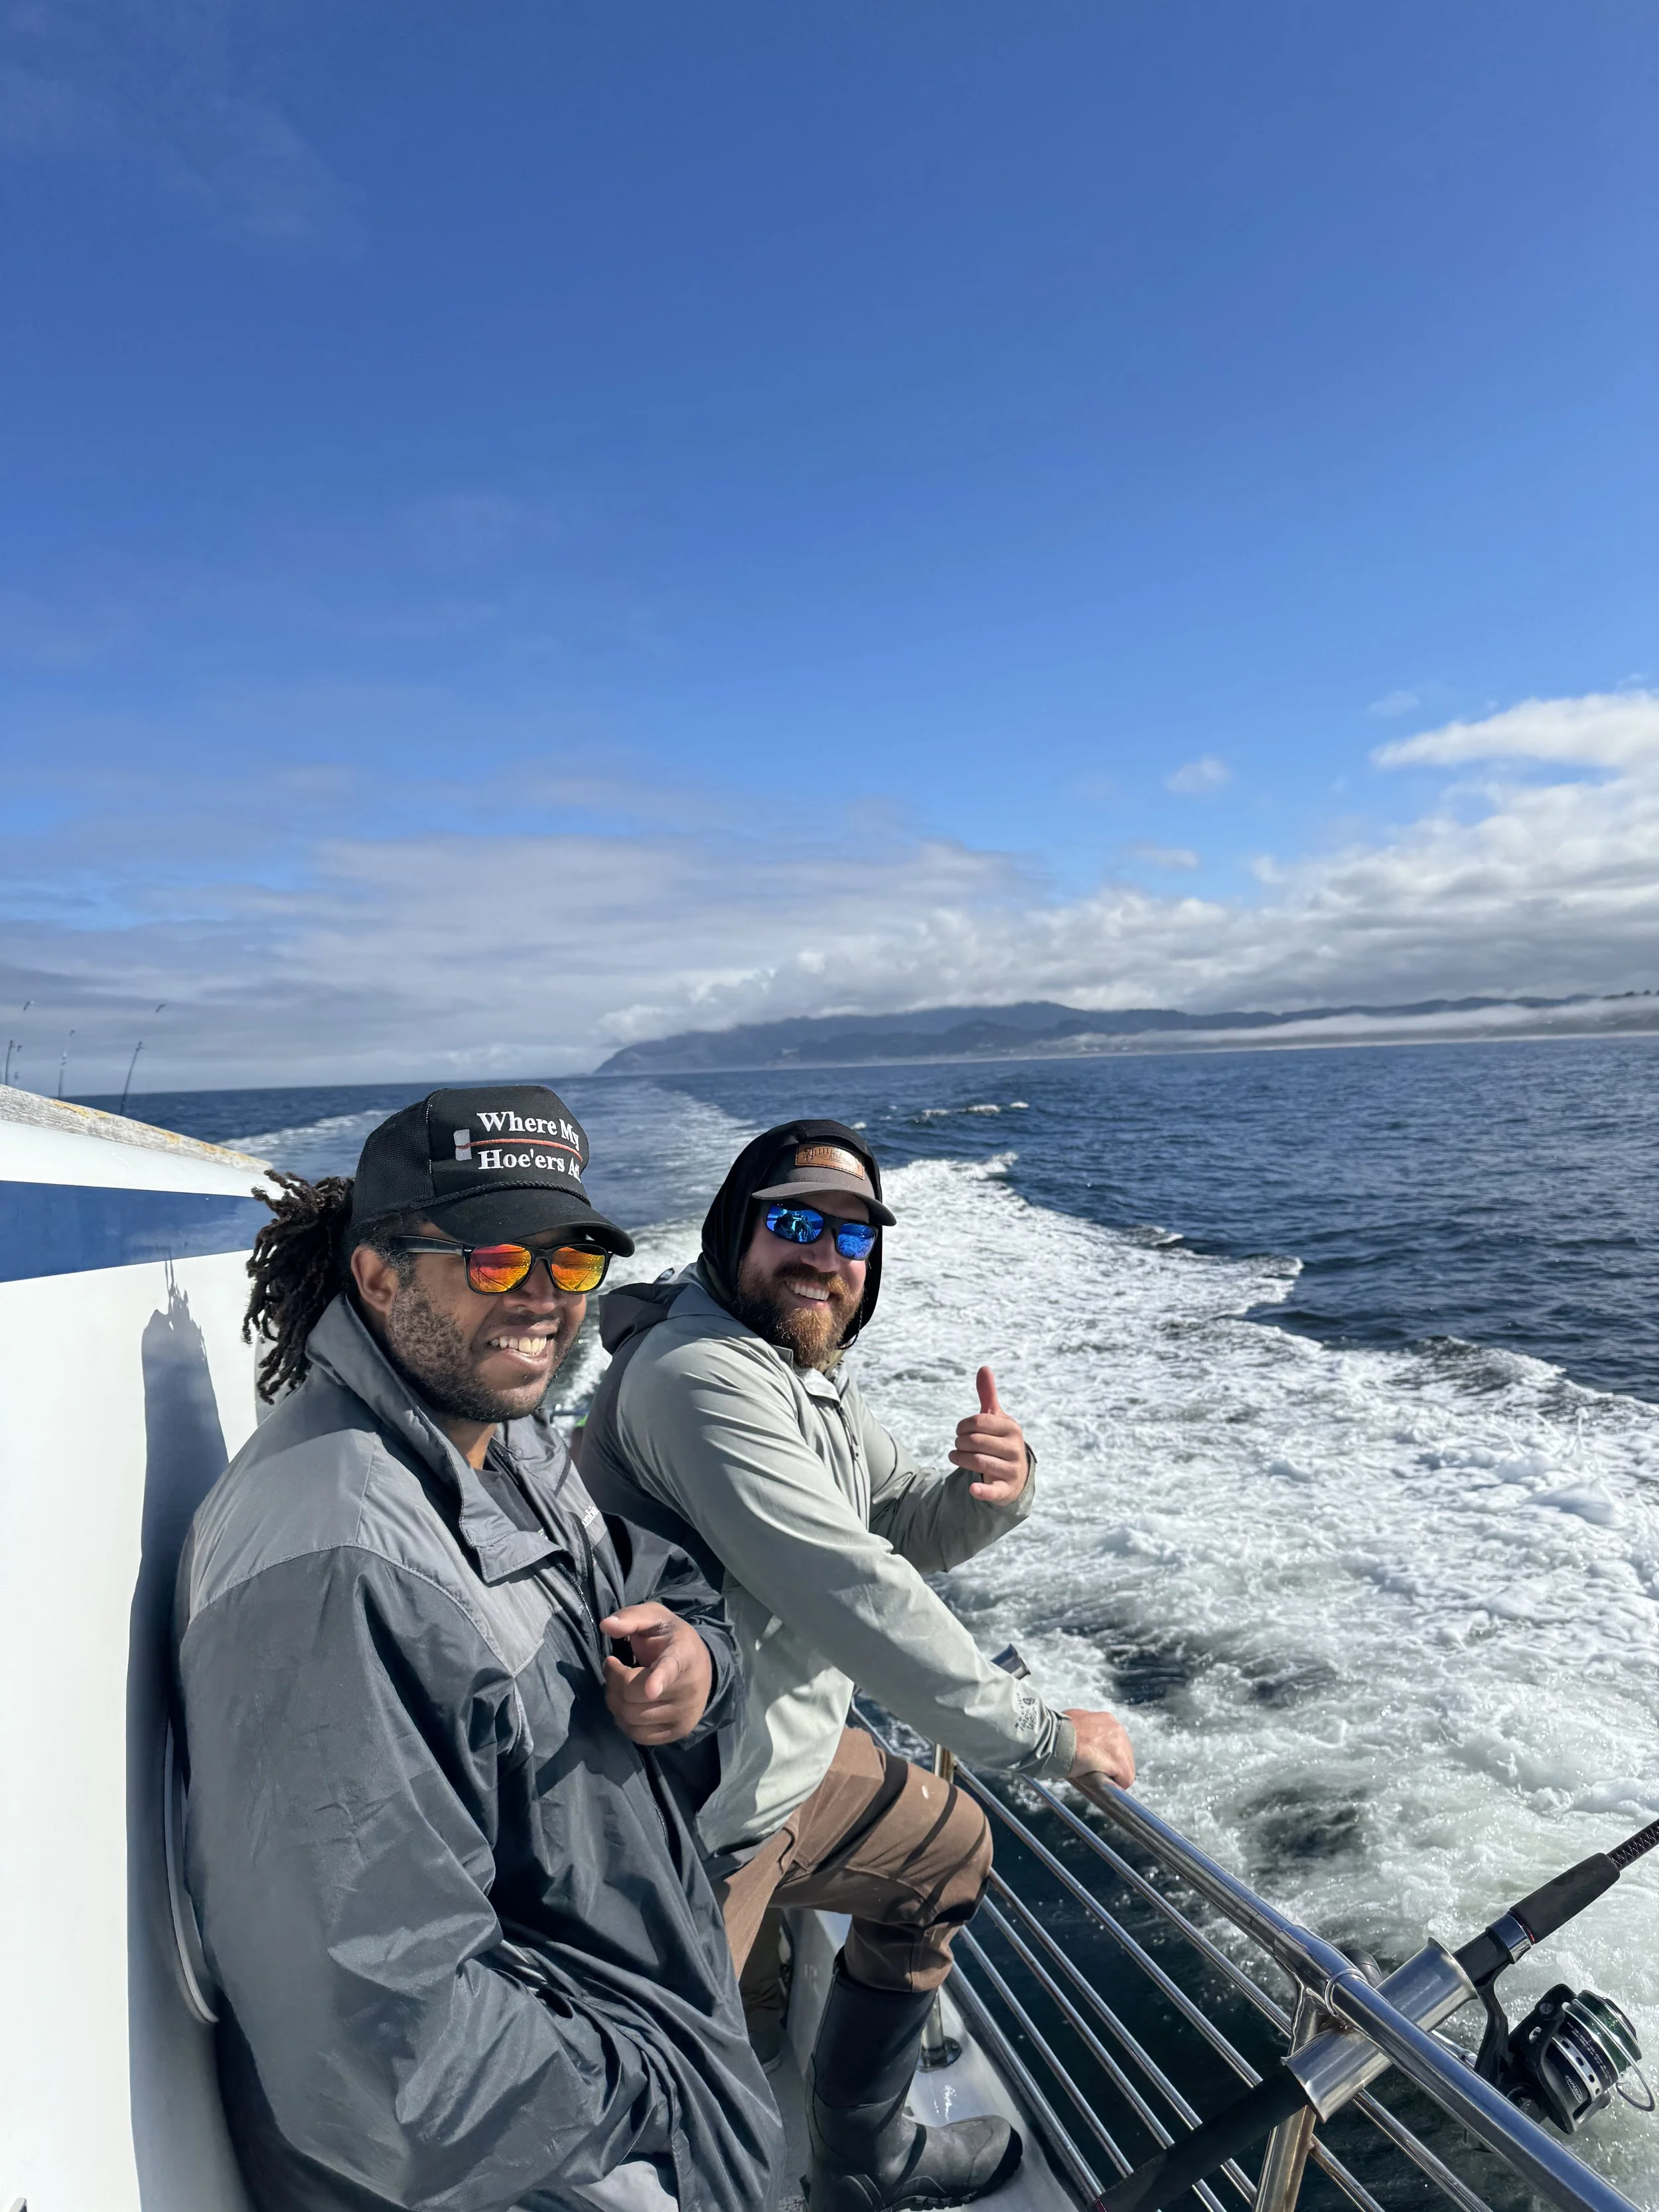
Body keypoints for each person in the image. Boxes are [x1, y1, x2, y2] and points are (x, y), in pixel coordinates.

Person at [173, 1086, 782, 2212]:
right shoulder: (340, 1558)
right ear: (378, 1274)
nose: (545, 1300)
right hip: (547, 2161)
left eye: (572, 1262)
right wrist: (662, 2098)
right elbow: (384, 2052)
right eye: (500, 1261)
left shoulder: (502, 1442)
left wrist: (696, 1659)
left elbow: (652, 1577)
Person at [579, 1120, 1136, 2212]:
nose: (823, 1257)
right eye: (794, 1223)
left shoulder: (807, 1380)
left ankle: (863, 2163)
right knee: (703, 2151)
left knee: (949, 1851)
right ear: (736, 1229)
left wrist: (993, 1495)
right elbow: (856, 1590)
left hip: (776, 1777)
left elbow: (896, 1523)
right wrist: (1046, 1740)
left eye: (853, 1238)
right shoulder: (701, 1377)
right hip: (680, 1831)